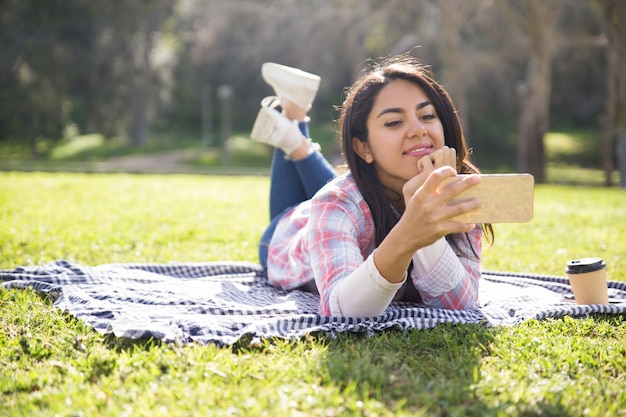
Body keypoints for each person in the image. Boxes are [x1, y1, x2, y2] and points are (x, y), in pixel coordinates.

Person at [251, 56, 493, 318]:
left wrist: (426, 211)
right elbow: (344, 312)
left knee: (345, 194)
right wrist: (410, 230)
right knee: (337, 197)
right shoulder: (335, 202)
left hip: (341, 205)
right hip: (285, 237)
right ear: (363, 147)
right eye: (394, 122)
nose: (417, 129)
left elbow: (460, 305)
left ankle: (294, 125)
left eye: (426, 115)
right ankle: (295, 135)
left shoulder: (459, 195)